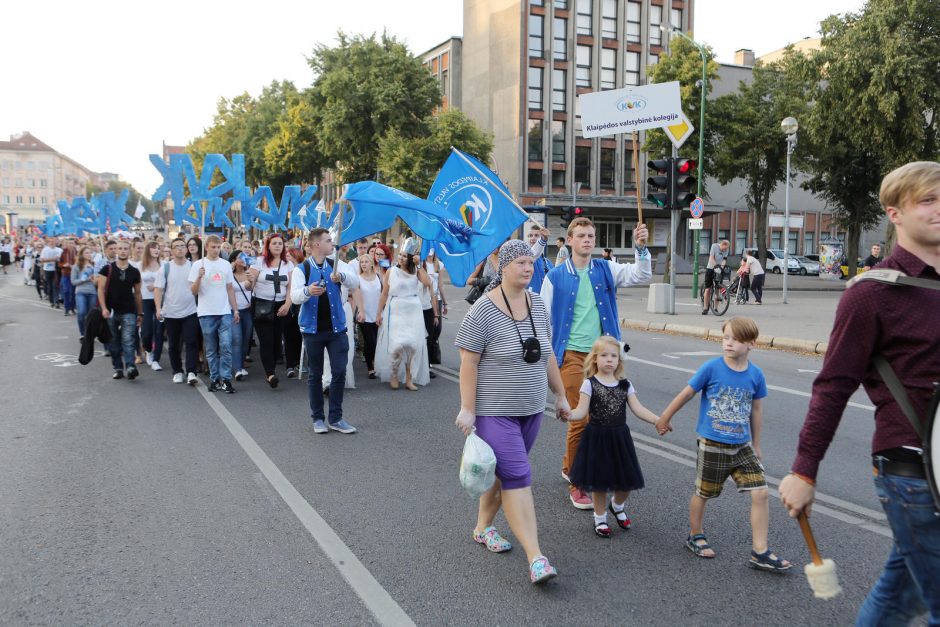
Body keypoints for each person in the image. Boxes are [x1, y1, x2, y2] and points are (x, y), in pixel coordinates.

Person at [779, 161, 940, 624]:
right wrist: (804, 471)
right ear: (895, 214)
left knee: (899, 596)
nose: (937, 210)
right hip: (910, 469)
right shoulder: (871, 294)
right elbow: (833, 386)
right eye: (925, 201)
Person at [454, 239, 571, 584]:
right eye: (520, 262)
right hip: (494, 412)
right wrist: (467, 410)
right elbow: (468, 363)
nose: (527, 267)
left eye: (530, 262)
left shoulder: (537, 303)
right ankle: (536, 558)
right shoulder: (483, 310)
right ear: (502, 266)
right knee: (518, 475)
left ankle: (482, 528)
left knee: (503, 475)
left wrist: (560, 396)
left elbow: (548, 354)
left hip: (531, 408)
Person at [656, 317, 790, 571]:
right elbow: (687, 393)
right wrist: (665, 417)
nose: (728, 343)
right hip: (713, 442)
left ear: (751, 344)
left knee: (761, 492)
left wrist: (757, 444)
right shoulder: (711, 368)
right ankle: (696, 535)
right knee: (704, 492)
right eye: (725, 337)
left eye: (736, 339)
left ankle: (760, 551)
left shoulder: (755, 374)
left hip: (742, 446)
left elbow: (757, 409)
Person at [540, 216, 651, 510]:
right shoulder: (555, 277)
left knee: (601, 417)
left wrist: (640, 249)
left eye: (591, 235)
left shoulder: (605, 269)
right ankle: (579, 483)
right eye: (582, 236)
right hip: (571, 355)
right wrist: (545, 359)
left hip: (602, 357)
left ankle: (568, 465)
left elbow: (640, 276)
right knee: (582, 416)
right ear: (571, 241)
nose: (588, 240)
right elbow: (543, 319)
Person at [568, 336, 658, 537]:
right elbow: (581, 411)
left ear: (619, 359)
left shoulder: (625, 385)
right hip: (597, 438)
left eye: (613, 356)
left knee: (626, 481)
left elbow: (638, 409)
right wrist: (568, 414)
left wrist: (657, 420)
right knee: (599, 483)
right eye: (604, 355)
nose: (609, 359)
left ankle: (617, 505)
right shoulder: (589, 384)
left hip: (619, 439)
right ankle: (599, 519)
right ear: (595, 359)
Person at [290, 228, 360, 434]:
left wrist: (342, 277)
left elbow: (355, 282)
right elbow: (294, 296)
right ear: (316, 245)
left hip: (337, 328)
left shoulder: (336, 264)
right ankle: (318, 418)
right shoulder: (301, 268)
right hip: (312, 330)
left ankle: (336, 418)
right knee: (316, 374)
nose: (333, 244)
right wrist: (307, 291)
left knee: (339, 371)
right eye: (329, 241)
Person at [375, 246, 432, 390]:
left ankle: (409, 379)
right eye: (400, 255)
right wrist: (378, 313)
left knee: (412, 345)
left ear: (411, 258)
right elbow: (384, 294)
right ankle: (394, 374)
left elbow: (427, 283)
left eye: (404, 256)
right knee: (397, 345)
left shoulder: (416, 272)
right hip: (396, 310)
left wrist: (419, 265)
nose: (400, 258)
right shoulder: (391, 271)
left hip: (413, 310)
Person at [189, 235, 240, 393]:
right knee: (211, 349)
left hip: (224, 312)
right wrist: (199, 277)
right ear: (206, 247)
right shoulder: (198, 265)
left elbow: (230, 288)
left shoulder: (225, 265)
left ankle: (226, 379)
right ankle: (214, 379)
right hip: (206, 313)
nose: (216, 250)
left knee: (226, 347)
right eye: (213, 247)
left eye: (218, 247)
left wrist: (235, 309)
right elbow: (193, 291)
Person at [248, 233, 295, 388]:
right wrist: (249, 279)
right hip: (262, 305)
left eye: (280, 243)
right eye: (274, 243)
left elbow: (291, 287)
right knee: (266, 340)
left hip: (281, 306)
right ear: (268, 245)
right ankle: (270, 374)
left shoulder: (288, 264)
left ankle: (271, 367)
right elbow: (250, 285)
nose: (277, 246)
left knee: (276, 341)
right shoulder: (260, 262)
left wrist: (287, 305)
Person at [154, 238, 199, 385]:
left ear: (186, 249)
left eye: (182, 246)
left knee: (192, 342)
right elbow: (158, 289)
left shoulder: (193, 266)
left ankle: (191, 371)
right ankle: (177, 371)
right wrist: (158, 309)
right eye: (176, 247)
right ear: (172, 250)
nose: (180, 249)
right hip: (171, 312)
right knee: (174, 344)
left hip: (191, 311)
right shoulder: (165, 268)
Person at [98, 240, 143, 380]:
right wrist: (104, 308)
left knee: (128, 339)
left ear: (129, 251)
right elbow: (100, 289)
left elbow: (137, 293)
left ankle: (130, 366)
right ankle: (118, 368)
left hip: (129, 310)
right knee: (114, 341)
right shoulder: (107, 269)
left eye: (125, 248)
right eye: (120, 248)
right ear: (116, 251)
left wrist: (140, 312)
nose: (123, 251)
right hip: (111, 311)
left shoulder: (134, 271)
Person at [138, 241, 165, 371]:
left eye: (158, 248)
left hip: (160, 300)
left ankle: (156, 360)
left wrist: (155, 286)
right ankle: (148, 350)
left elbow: (168, 283)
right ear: (148, 250)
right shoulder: (140, 265)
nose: (156, 250)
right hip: (145, 300)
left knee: (159, 331)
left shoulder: (164, 265)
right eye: (154, 248)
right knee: (147, 331)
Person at [356, 254, 381, 379]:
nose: (364, 264)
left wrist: (381, 312)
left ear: (371, 263)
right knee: (369, 341)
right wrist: (361, 312)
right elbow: (357, 297)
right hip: (364, 315)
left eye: (366, 262)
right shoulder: (358, 279)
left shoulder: (378, 277)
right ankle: (370, 368)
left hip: (377, 314)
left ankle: (375, 363)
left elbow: (382, 295)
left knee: (377, 341)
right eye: (362, 262)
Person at [230, 253, 254, 381]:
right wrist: (230, 267)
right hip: (232, 311)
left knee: (246, 338)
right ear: (234, 260)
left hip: (247, 310)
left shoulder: (249, 273)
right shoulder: (229, 273)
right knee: (237, 338)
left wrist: (251, 280)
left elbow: (250, 287)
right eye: (240, 257)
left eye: (245, 257)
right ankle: (237, 369)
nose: (243, 260)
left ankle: (240, 363)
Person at [71, 246, 98, 340]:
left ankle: (90, 333)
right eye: (86, 253)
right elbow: (73, 282)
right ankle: (82, 333)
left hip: (92, 292)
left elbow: (95, 281)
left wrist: (95, 279)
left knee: (91, 315)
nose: (89, 254)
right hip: (80, 292)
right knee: (81, 312)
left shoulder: (94, 265)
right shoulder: (76, 267)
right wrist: (86, 279)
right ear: (82, 254)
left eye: (90, 252)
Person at [702, 240, 730, 315]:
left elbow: (724, 260)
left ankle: (716, 308)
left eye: (726, 249)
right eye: (724, 248)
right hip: (711, 268)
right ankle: (705, 308)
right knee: (707, 289)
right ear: (722, 244)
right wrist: (716, 265)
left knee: (717, 289)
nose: (725, 250)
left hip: (719, 270)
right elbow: (711, 258)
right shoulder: (714, 246)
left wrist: (721, 267)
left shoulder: (727, 249)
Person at [526, 224, 553, 293]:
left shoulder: (548, 263)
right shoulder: (524, 258)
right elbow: (533, 254)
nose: (532, 238)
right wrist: (543, 240)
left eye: (536, 235)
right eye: (530, 236)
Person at [39, 237, 62, 308]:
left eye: (53, 241)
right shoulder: (45, 250)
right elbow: (42, 260)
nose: (52, 243)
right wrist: (53, 259)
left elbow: (61, 260)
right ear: (48, 242)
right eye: (50, 241)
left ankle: (56, 301)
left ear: (56, 242)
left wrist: (58, 260)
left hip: (56, 270)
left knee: (55, 286)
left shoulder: (60, 250)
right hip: (48, 270)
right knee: (50, 286)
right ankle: (52, 301)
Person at [58, 238, 77, 315]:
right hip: (66, 274)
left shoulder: (77, 252)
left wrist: (75, 266)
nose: (71, 245)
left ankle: (72, 308)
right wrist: (64, 265)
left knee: (73, 292)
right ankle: (66, 308)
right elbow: (59, 264)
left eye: (72, 243)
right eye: (70, 243)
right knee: (66, 291)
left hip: (75, 274)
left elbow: (80, 262)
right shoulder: (64, 252)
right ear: (67, 244)